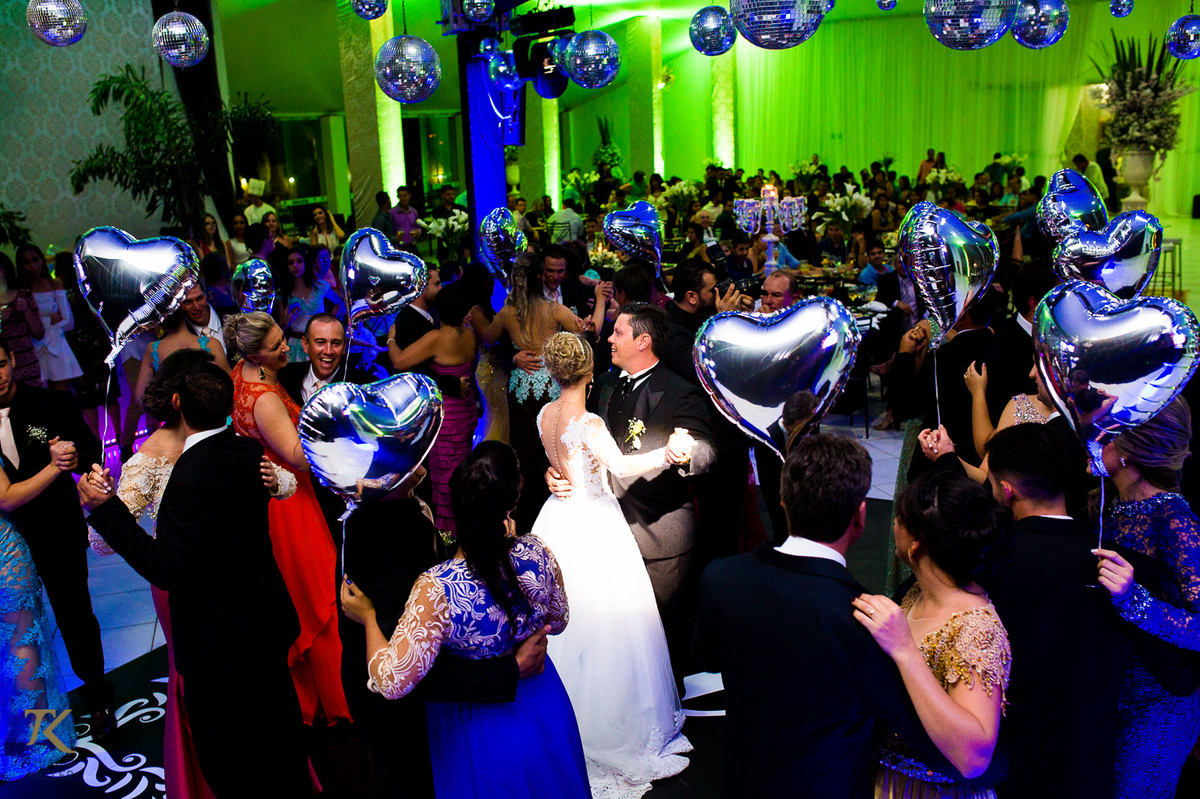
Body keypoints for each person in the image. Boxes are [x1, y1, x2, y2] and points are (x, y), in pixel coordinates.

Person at [79, 358, 310, 795]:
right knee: (277, 734)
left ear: (177, 401)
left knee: (228, 756)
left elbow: (163, 566)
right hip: (262, 618)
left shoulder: (194, 473)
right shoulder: (243, 450)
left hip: (213, 634)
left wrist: (102, 508)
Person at [695, 434, 961, 797]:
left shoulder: (721, 577)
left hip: (743, 781)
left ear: (783, 501)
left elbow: (708, 658)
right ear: (860, 517)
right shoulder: (864, 620)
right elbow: (914, 732)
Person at [340, 441, 590, 798]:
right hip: (543, 704)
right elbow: (560, 618)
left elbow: (392, 681)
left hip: (477, 728)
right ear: (511, 502)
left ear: (455, 506)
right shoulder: (537, 552)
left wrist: (368, 619)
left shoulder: (436, 588)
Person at [975, 423, 1185, 799]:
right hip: (1090, 754)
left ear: (1006, 492)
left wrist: (1135, 601)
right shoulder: (1118, 547)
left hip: (1018, 759)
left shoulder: (987, 564)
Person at [531, 333, 692, 794]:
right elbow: (620, 468)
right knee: (609, 626)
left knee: (570, 621)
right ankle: (604, 729)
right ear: (587, 370)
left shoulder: (545, 414)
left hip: (557, 519)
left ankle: (564, 720)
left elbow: (557, 458)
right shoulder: (589, 422)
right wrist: (670, 452)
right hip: (595, 523)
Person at [551, 303, 715, 675]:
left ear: (644, 341)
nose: (609, 338)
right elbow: (578, 442)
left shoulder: (681, 392)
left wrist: (688, 452)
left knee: (660, 634)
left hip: (656, 534)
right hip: (603, 529)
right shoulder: (604, 384)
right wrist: (557, 470)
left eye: (618, 332)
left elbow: (708, 450)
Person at [225, 311, 353, 726]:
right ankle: (331, 701)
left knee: (297, 595)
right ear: (256, 353)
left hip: (272, 495)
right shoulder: (264, 396)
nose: (288, 347)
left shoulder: (240, 374)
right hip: (290, 503)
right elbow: (298, 455)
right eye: (278, 344)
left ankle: (308, 697)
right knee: (318, 596)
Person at [853, 469, 1012, 797]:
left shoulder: (977, 627)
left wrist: (905, 651)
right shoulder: (915, 592)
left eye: (899, 519)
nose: (893, 525)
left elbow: (974, 757)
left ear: (916, 544)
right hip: (890, 781)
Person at [0, 333, 114, 736]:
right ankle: (31, 717)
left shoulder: (50, 403)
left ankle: (99, 701)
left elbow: (91, 451)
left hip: (57, 532)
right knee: (16, 632)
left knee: (75, 618)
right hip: (7, 545)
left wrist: (73, 458)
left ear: (12, 358)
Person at [1091, 398, 1200, 799]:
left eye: (1105, 433)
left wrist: (1135, 602)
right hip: (1111, 691)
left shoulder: (1173, 518)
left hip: (1157, 704)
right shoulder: (1108, 504)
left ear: (1128, 450)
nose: (1094, 439)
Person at [471, 257, 583, 532]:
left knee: (525, 453)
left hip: (521, 388)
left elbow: (488, 339)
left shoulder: (508, 313)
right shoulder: (554, 309)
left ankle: (527, 519)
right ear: (539, 279)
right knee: (553, 449)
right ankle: (557, 515)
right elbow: (581, 330)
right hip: (550, 387)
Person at [389, 283, 481, 533]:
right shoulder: (471, 335)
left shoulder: (436, 339)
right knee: (461, 474)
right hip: (466, 413)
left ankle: (449, 536)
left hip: (446, 418)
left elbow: (399, 362)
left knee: (444, 479)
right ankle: (465, 529)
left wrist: (391, 338)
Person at [14, 244, 82, 391]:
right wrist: (50, 319)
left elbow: (68, 322)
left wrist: (42, 321)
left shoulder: (54, 283)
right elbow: (21, 325)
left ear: (41, 260)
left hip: (56, 344)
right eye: (26, 262)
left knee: (62, 396)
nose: (32, 265)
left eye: (35, 260)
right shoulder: (19, 289)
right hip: (32, 348)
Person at [133, 309, 230, 404]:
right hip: (212, 413)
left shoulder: (154, 349)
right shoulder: (212, 344)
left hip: (176, 415)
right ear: (184, 312)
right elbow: (231, 385)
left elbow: (140, 397)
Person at [275, 245, 345, 363]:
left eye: (299, 261)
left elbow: (339, 304)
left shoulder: (320, 286)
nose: (295, 266)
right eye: (291, 263)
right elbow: (281, 328)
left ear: (306, 263)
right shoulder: (282, 294)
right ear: (286, 267)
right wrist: (285, 323)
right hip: (295, 344)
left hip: (319, 341)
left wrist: (330, 322)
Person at [0, 253, 45, 389]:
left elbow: (39, 333)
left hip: (27, 362)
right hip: (3, 367)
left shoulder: (23, 295)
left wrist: (26, 311)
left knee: (34, 402)